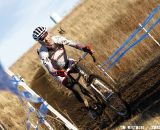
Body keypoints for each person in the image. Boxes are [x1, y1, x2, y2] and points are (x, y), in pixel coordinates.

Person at [32, 26, 94, 108]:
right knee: (76, 88)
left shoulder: (57, 39)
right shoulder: (43, 53)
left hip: (67, 63)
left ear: (48, 33)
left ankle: (98, 86)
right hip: (58, 72)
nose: (46, 39)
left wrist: (84, 48)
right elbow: (50, 69)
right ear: (39, 41)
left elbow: (73, 44)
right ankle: (87, 106)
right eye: (42, 38)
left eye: (46, 34)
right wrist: (58, 72)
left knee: (85, 70)